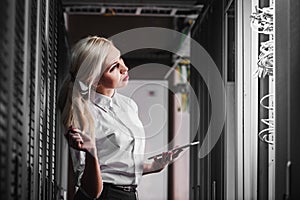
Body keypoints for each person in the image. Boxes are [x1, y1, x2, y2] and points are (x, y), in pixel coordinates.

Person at [58, 36, 182, 200]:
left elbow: (114, 165)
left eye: (120, 59)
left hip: (129, 195)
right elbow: (90, 191)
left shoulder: (129, 105)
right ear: (94, 81)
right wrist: (91, 153)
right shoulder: (82, 115)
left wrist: (154, 166)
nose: (125, 68)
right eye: (114, 67)